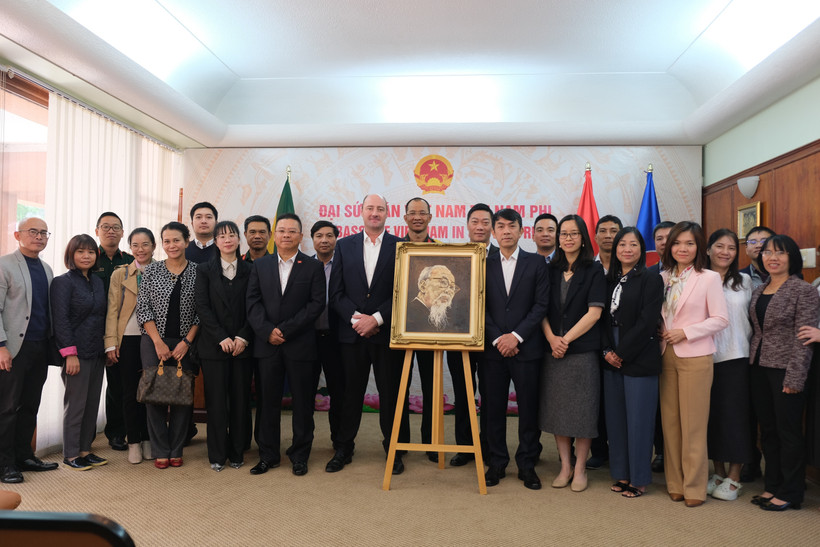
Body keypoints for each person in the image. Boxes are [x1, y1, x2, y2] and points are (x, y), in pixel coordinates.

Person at [327, 194, 409, 475]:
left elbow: (405, 292)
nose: (375, 213)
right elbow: (335, 293)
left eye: (380, 209)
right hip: (352, 335)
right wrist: (356, 319)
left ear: (388, 213)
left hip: (386, 334)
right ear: (361, 212)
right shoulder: (344, 245)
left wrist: (376, 318)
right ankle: (344, 448)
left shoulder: (401, 246)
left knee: (391, 395)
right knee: (350, 394)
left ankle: (394, 450)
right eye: (370, 208)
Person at [247, 213, 325, 476]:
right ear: (274, 235)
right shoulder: (260, 265)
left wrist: (286, 330)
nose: (286, 235)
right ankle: (268, 455)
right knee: (267, 402)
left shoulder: (312, 267)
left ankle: (300, 454)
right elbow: (252, 303)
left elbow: (316, 305)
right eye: (281, 231)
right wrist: (268, 331)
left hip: (300, 344)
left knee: (302, 403)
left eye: (292, 231)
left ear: (301, 236)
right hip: (267, 345)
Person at [659, 221, 728, 507]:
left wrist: (685, 332)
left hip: (696, 355)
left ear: (699, 246)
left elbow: (720, 319)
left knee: (694, 425)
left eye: (689, 243)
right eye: (677, 243)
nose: (682, 248)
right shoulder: (662, 277)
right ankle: (675, 483)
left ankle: (695, 487)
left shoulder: (709, 278)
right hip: (665, 355)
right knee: (670, 423)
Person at [748, 235, 820, 511]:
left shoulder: (804, 290)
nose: (772, 257)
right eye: (767, 252)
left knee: (788, 431)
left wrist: (795, 377)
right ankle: (773, 484)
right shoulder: (759, 290)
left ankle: (791, 491)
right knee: (767, 430)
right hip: (758, 367)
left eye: (780, 252)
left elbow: (804, 339)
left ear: (792, 257)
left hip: (786, 369)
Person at [482, 208, 548, 490]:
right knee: (492, 408)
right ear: (493, 232)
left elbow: (541, 305)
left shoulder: (537, 263)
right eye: (501, 226)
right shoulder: (482, 263)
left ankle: (527, 464)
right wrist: (499, 338)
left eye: (512, 226)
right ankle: (496, 462)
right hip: (492, 349)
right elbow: (477, 304)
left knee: (529, 409)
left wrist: (517, 336)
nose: (506, 231)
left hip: (526, 349)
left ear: (522, 231)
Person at [540, 214, 605, 492]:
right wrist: (552, 339)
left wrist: (564, 340)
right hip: (553, 351)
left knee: (583, 412)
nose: (567, 238)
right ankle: (564, 466)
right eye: (563, 234)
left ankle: (580, 468)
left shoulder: (593, 270)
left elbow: (595, 312)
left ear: (583, 238)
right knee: (559, 412)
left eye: (573, 233)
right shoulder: (549, 270)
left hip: (581, 352)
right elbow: (539, 309)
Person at [600, 227, 663, 498]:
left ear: (641, 249)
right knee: (616, 420)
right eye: (622, 244)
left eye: (633, 244)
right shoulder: (609, 280)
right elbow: (601, 318)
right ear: (615, 250)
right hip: (610, 355)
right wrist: (606, 351)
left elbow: (648, 321)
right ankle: (622, 474)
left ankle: (639, 479)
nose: (627, 249)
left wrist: (621, 352)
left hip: (637, 356)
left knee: (639, 420)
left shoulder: (651, 279)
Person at [0, 218, 59, 483]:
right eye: (32, 232)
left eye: (43, 232)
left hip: (39, 347)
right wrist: (1, 347)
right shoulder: (4, 265)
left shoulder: (46, 268)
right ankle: (5, 463)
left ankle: (24, 455)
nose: (38, 236)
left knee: (30, 405)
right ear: (17, 235)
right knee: (7, 408)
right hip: (13, 349)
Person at [137, 222, 200, 469]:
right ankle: (160, 449)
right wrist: (157, 342)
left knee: (182, 396)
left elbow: (202, 312)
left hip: (187, 343)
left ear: (186, 241)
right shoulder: (151, 271)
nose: (171, 245)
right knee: (154, 396)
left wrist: (187, 341)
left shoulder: (198, 271)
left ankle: (176, 448)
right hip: (154, 341)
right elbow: (144, 308)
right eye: (166, 241)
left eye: (176, 240)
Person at [195, 221, 254, 472]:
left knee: (241, 401)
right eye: (222, 236)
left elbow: (255, 306)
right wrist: (221, 337)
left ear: (239, 240)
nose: (227, 239)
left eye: (232, 235)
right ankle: (217, 454)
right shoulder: (204, 270)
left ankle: (237, 451)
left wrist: (242, 337)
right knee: (217, 402)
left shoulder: (252, 270)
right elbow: (202, 307)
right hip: (213, 347)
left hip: (243, 346)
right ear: (215, 242)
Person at [52, 234, 108, 470]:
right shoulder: (62, 282)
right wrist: (69, 354)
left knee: (92, 403)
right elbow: (61, 320)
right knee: (75, 405)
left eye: (91, 252)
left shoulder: (97, 282)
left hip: (97, 351)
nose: (86, 256)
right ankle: (71, 454)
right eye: (80, 251)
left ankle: (85, 449)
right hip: (76, 354)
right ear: (71, 255)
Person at [704, 229, 753, 501]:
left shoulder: (745, 281)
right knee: (712, 418)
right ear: (708, 249)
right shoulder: (699, 278)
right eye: (719, 246)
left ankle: (735, 477)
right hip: (705, 357)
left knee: (735, 419)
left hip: (737, 356)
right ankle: (718, 472)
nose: (725, 252)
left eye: (731, 248)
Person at [447, 203, 495, 467]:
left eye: (485, 222)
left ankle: (487, 446)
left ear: (493, 227)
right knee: (463, 392)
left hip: (492, 339)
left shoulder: (503, 256)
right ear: (467, 225)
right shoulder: (456, 257)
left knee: (490, 393)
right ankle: (465, 447)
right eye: (475, 221)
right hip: (459, 336)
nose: (480, 227)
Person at [104, 228, 156, 464]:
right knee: (129, 392)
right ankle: (134, 441)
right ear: (130, 248)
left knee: (151, 392)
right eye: (135, 245)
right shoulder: (120, 274)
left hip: (155, 338)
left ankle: (148, 439)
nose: (140, 249)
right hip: (128, 338)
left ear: (154, 246)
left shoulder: (163, 270)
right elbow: (112, 311)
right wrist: (111, 343)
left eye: (145, 244)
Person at [401, 197, 439, 462]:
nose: (417, 217)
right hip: (399, 330)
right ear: (405, 218)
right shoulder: (394, 248)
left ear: (430, 217)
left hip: (432, 331)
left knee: (432, 387)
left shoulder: (442, 251)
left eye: (421, 213)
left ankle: (432, 442)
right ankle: (399, 445)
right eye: (412, 213)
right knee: (398, 389)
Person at [94, 212, 134, 452]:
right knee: (86, 386)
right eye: (105, 227)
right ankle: (84, 434)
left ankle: (118, 432)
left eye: (116, 227)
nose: (111, 231)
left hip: (122, 331)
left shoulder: (131, 260)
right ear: (97, 230)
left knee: (119, 383)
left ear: (122, 232)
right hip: (91, 329)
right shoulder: (88, 256)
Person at [310, 220, 343, 453]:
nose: (324, 240)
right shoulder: (303, 266)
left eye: (329, 236)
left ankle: (340, 442)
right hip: (308, 339)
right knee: (304, 394)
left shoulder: (344, 266)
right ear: (311, 240)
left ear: (336, 239)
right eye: (319, 235)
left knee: (339, 392)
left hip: (337, 339)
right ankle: (304, 443)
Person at [240, 214, 272, 451]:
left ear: (270, 235)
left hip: (265, 338)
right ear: (245, 235)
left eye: (262, 232)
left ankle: (263, 443)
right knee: (239, 395)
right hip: (239, 340)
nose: (257, 236)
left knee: (265, 395)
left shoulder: (276, 264)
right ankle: (240, 443)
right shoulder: (236, 263)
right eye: (252, 232)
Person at [647, 220, 675, 473]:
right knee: (657, 404)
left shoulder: (697, 273)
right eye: (659, 238)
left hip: (685, 345)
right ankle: (660, 452)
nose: (664, 242)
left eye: (670, 237)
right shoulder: (650, 273)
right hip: (655, 346)